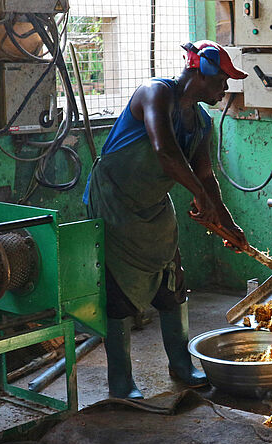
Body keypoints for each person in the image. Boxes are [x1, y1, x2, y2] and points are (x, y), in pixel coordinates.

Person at [84, 40, 249, 398]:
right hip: (114, 202)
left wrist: (227, 224)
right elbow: (165, 151)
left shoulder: (202, 122)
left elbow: (206, 177)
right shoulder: (154, 93)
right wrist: (200, 197)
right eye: (223, 80)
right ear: (202, 72)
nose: (225, 89)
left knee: (172, 281)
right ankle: (122, 383)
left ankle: (182, 364)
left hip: (154, 205)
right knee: (118, 294)